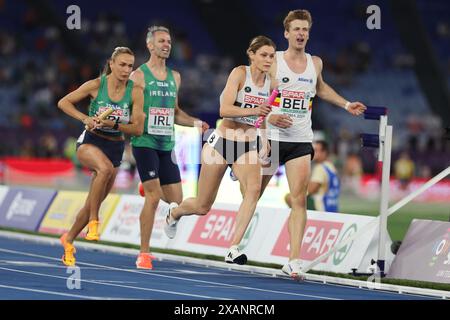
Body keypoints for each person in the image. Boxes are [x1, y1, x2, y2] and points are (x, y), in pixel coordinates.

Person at [253, 10, 366, 278]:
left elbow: (321, 88)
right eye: (296, 29)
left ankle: (294, 259)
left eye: (305, 29)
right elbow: (255, 95)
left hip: (301, 139)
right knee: (253, 194)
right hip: (272, 138)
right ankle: (234, 243)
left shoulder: (315, 62)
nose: (301, 33)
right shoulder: (274, 61)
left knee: (299, 199)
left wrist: (347, 103)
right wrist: (270, 116)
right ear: (286, 33)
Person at [163, 36, 276, 265]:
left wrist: (264, 139)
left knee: (254, 190)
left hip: (247, 144)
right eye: (263, 55)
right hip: (222, 142)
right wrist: (255, 109)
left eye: (272, 56)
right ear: (251, 54)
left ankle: (233, 248)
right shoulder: (239, 74)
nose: (268, 59)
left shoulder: (271, 83)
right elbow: (224, 109)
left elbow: (262, 116)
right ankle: (174, 213)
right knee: (202, 206)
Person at [130, 26, 209, 270]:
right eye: (162, 41)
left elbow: (175, 114)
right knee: (154, 198)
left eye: (169, 41)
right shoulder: (138, 76)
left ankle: (149, 188)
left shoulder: (175, 77)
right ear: (150, 46)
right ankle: (144, 253)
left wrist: (195, 122)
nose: (167, 44)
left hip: (167, 144)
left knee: (177, 201)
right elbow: (129, 109)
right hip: (145, 143)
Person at [57, 47, 145, 266]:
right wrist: (84, 118)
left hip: (115, 147)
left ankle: (68, 240)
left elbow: (137, 129)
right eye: (122, 65)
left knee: (92, 201)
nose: (126, 70)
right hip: (90, 142)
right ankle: (94, 222)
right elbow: (63, 102)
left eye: (130, 66)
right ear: (111, 64)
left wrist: (111, 122)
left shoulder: (135, 92)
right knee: (103, 170)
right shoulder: (96, 85)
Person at [285, 140, 340, 212]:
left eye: (316, 150)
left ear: (324, 153)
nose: (313, 153)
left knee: (289, 197)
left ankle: (297, 220)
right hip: (333, 207)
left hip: (321, 208)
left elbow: (311, 190)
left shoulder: (320, 168)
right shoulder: (331, 167)